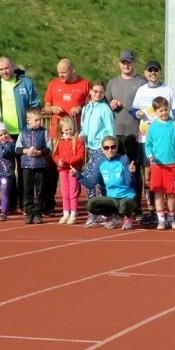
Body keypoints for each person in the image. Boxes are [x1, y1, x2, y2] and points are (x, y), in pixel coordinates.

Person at [0, 56, 41, 211]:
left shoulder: (26, 83)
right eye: (1, 70)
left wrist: (32, 121)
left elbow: (35, 104)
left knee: (25, 170)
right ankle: (11, 204)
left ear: (12, 66)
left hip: (23, 133)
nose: (4, 72)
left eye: (7, 68)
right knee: (7, 170)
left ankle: (26, 203)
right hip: (4, 136)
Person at [131, 60, 175, 223]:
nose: (153, 73)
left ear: (160, 72)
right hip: (146, 138)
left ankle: (169, 213)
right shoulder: (141, 90)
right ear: (145, 73)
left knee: (167, 179)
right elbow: (134, 109)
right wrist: (136, 113)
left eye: (155, 71)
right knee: (148, 175)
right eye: (150, 71)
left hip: (165, 140)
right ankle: (152, 210)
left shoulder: (168, 90)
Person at [42, 58, 90, 215]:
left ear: (72, 70)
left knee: (74, 167)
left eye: (64, 72)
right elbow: (46, 106)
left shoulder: (84, 84)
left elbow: (91, 104)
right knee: (52, 169)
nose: (61, 75)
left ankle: (77, 206)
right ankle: (49, 204)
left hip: (75, 133)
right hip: (57, 133)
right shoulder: (53, 84)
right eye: (59, 73)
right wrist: (52, 109)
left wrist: (80, 107)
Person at [106, 50, 148, 218]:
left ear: (134, 62)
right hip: (117, 133)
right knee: (117, 171)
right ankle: (119, 207)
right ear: (119, 63)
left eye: (129, 62)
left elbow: (148, 106)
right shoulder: (113, 82)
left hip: (135, 133)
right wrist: (112, 105)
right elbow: (106, 102)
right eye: (123, 62)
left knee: (134, 172)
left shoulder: (141, 82)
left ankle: (136, 207)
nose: (126, 65)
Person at [75, 135, 138, 230]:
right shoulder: (100, 163)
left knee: (125, 205)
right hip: (111, 199)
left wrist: (131, 173)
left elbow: (129, 183)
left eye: (113, 147)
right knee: (91, 204)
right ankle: (113, 216)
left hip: (125, 197)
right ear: (102, 149)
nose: (110, 150)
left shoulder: (123, 160)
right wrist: (77, 175)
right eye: (106, 147)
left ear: (116, 148)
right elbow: (91, 183)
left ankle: (127, 217)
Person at [145, 96, 175, 230]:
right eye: (160, 111)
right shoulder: (152, 127)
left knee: (171, 192)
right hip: (157, 165)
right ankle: (161, 218)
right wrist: (150, 155)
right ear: (155, 112)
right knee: (158, 191)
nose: (164, 113)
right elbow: (148, 145)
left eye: (166, 110)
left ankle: (171, 217)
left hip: (173, 164)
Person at [80, 80, 115, 224]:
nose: (98, 94)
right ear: (90, 91)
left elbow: (110, 130)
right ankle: (94, 210)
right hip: (90, 148)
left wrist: (108, 148)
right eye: (95, 91)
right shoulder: (86, 108)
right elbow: (84, 127)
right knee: (90, 180)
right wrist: (82, 134)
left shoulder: (105, 109)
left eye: (101, 92)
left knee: (98, 180)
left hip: (101, 150)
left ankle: (103, 211)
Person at [15, 109, 50, 225]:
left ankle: (38, 213)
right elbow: (17, 148)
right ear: (28, 121)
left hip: (40, 165)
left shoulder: (44, 132)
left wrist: (39, 152)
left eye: (40, 120)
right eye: (36, 120)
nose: (39, 122)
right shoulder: (23, 132)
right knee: (27, 191)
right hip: (26, 165)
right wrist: (25, 151)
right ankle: (29, 212)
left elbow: (49, 147)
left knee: (40, 190)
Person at [52, 115, 85, 225]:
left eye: (70, 129)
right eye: (66, 129)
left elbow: (80, 156)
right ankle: (65, 212)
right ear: (62, 130)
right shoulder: (59, 141)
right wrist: (58, 161)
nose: (69, 131)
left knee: (73, 191)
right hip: (62, 170)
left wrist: (66, 161)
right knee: (64, 191)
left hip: (73, 170)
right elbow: (55, 155)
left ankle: (73, 213)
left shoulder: (77, 141)